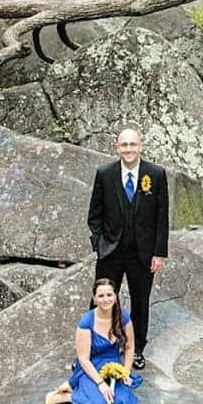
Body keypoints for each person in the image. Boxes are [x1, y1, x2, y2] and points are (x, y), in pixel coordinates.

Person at [87, 126, 169, 371]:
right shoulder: (105, 173)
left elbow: (162, 217)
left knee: (140, 301)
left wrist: (159, 252)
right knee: (101, 300)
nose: (129, 149)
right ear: (117, 147)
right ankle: (96, 345)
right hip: (111, 252)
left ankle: (137, 349)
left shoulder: (156, 174)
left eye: (133, 144)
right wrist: (100, 245)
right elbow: (94, 215)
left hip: (142, 254)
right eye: (124, 145)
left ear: (140, 146)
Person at [44, 279, 142, 404]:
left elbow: (129, 347)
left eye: (109, 295)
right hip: (91, 366)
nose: (106, 299)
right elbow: (83, 358)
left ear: (115, 296)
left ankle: (83, 392)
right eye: (101, 296)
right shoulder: (87, 321)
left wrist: (125, 373)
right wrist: (101, 384)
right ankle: (66, 396)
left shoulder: (124, 317)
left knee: (121, 402)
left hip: (114, 364)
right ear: (95, 299)